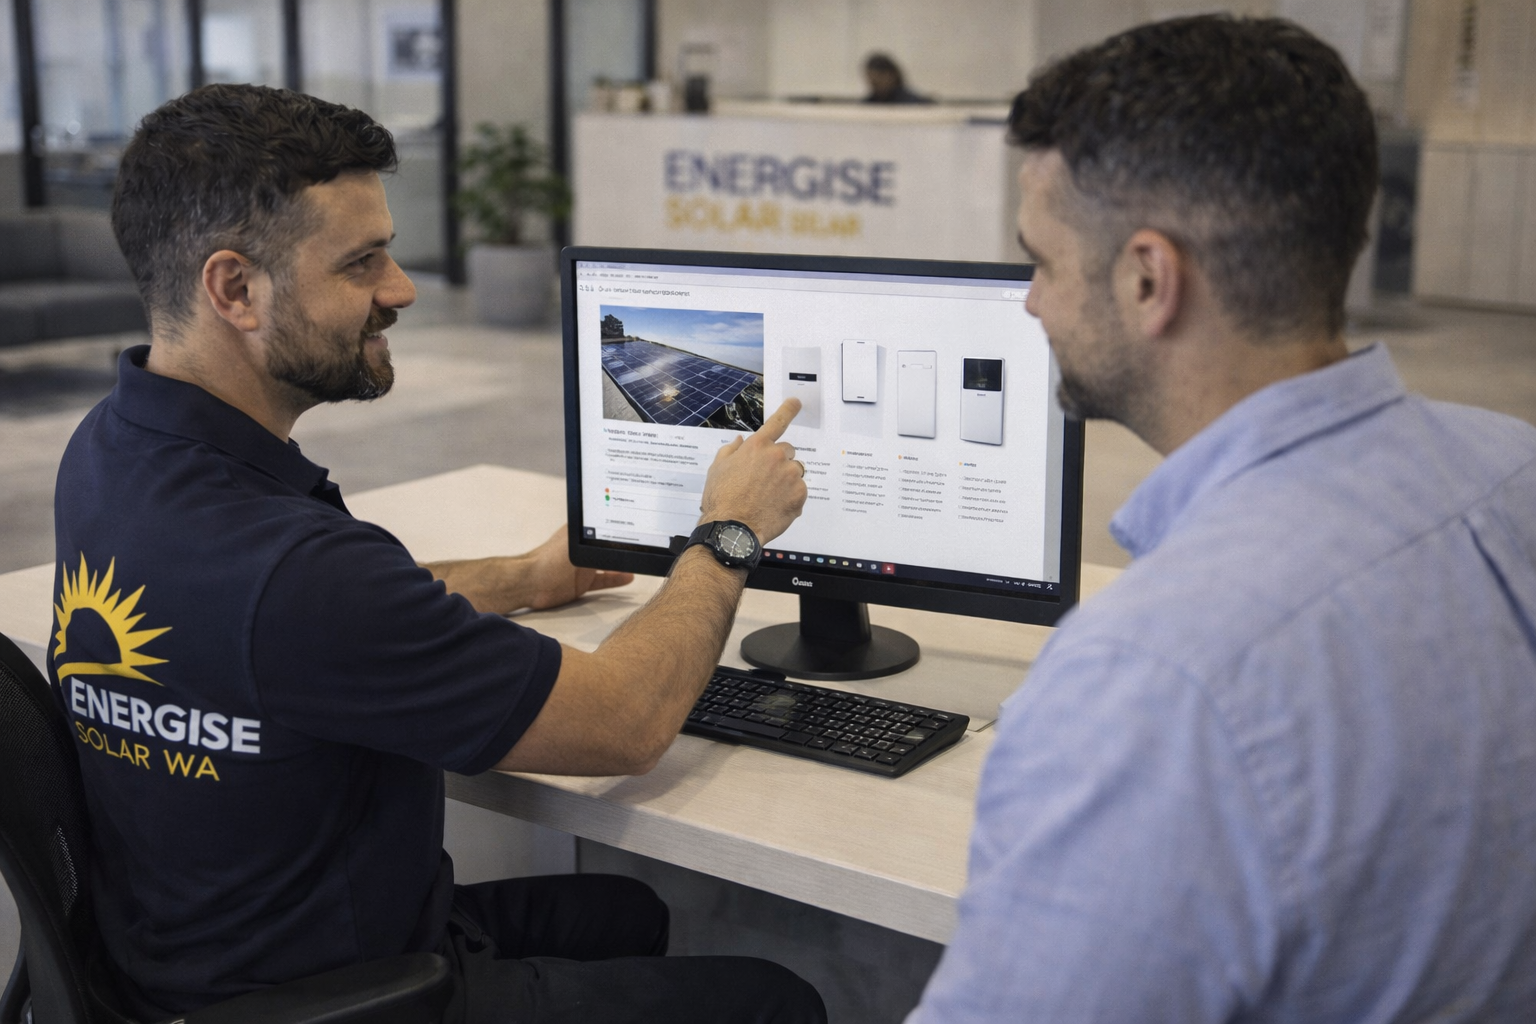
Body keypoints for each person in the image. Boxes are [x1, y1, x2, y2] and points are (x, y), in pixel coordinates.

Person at [51, 84, 824, 1024]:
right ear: (235, 289)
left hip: (184, 954)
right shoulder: (296, 574)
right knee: (774, 1001)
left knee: (624, 909)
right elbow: (624, 724)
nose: (402, 287)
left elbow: (271, 625)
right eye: (361, 261)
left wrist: (523, 581)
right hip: (333, 995)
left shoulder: (114, 449)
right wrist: (728, 532)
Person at [910, 15, 1536, 1023]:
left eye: (1043, 263)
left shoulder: (1154, 676)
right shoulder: (1513, 469)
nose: (1029, 303)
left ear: (1149, 279)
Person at [862, 53, 932, 104]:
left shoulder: (914, 103)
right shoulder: (869, 104)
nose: (875, 83)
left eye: (879, 79)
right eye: (872, 81)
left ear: (891, 76)